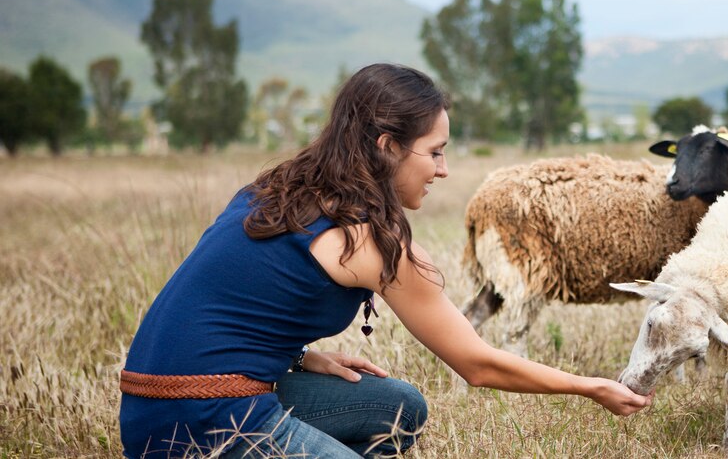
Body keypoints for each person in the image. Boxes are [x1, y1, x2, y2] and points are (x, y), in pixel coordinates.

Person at [119, 63, 652, 458]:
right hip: (205, 416)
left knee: (399, 406)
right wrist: (592, 386)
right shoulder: (371, 240)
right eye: (435, 151)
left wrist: (297, 356)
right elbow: (478, 365)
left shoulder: (276, 189)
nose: (443, 169)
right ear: (387, 147)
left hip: (146, 406)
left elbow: (225, 304)